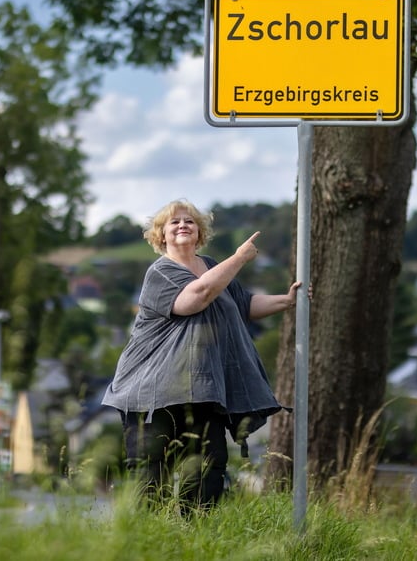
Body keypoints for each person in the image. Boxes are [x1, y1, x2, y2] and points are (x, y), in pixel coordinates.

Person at [102, 199, 302, 515]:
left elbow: (243, 304)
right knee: (151, 471)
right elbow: (195, 298)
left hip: (201, 392)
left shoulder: (211, 267)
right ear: (161, 236)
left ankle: (193, 533)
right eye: (174, 222)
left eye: (190, 221)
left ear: (199, 233)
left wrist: (287, 301)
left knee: (210, 465)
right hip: (153, 394)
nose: (183, 225)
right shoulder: (160, 272)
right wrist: (238, 259)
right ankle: (143, 540)